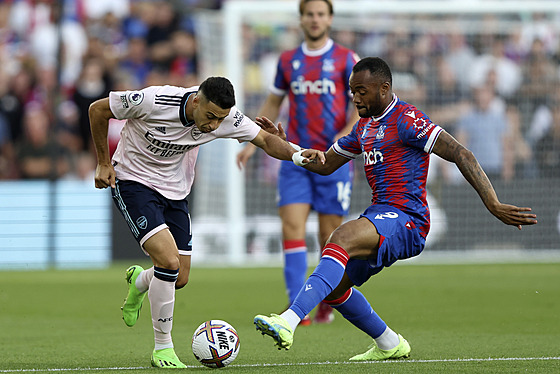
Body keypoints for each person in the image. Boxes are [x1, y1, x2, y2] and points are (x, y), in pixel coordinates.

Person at [253, 57, 538, 361]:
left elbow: (460, 152)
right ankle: (389, 343)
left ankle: (288, 321)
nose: (355, 97)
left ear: (384, 88)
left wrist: (492, 203)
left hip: (408, 220)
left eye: (362, 91)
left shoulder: (407, 119)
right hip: (382, 217)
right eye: (352, 91)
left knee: (341, 236)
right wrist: (289, 148)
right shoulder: (363, 128)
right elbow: (325, 163)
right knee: (335, 290)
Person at [89, 76, 324, 368]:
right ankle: (163, 348)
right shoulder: (154, 101)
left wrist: (298, 154)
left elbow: (265, 140)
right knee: (168, 263)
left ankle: (140, 281)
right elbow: (98, 109)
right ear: (196, 100)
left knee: (180, 277)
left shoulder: (226, 119)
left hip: (175, 193)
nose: (214, 126)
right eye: (210, 117)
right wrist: (103, 161)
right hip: (133, 183)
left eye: (220, 120)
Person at [236, 0, 360, 325]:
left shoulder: (347, 60)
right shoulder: (289, 60)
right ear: (301, 19)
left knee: (329, 237)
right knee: (291, 227)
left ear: (330, 19)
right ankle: (296, 310)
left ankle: (325, 300)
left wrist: (341, 145)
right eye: (310, 14)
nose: (315, 19)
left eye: (321, 14)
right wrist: (252, 140)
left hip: (334, 160)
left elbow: (357, 111)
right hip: (295, 156)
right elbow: (273, 102)